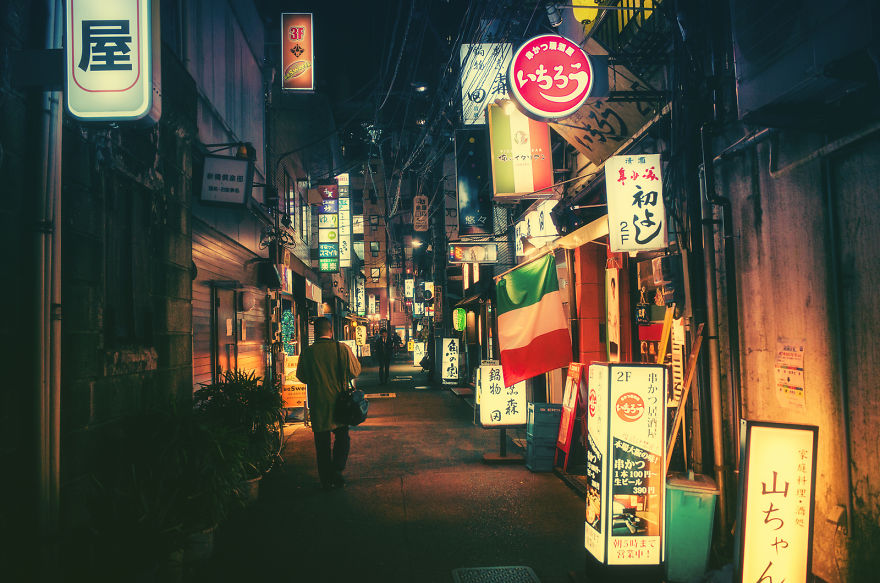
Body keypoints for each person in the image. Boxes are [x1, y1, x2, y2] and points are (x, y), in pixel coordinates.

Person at [296, 317, 362, 490]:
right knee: (342, 437)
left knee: (322, 443)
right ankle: (337, 470)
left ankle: (326, 479)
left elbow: (301, 376)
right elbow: (355, 371)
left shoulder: (308, 353)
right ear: (331, 330)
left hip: (318, 404)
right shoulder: (342, 349)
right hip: (340, 404)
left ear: (315, 333)